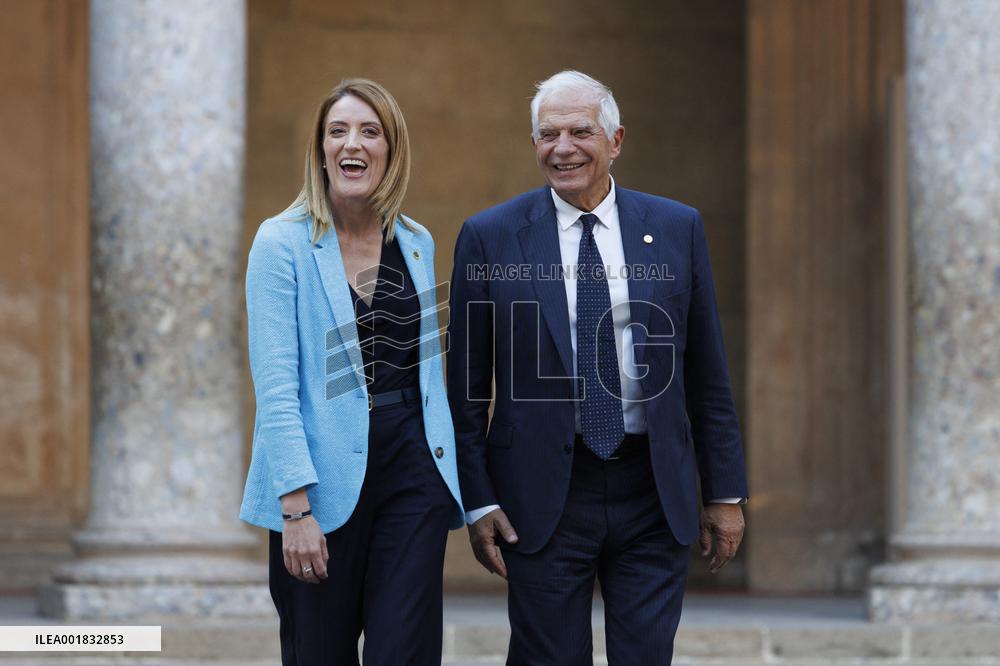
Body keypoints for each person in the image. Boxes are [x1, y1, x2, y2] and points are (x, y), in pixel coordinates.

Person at [447, 70, 748, 665]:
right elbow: (465, 386)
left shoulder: (676, 228)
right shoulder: (490, 236)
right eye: (548, 134)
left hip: (652, 489)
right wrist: (478, 500)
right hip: (542, 494)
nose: (563, 148)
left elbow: (707, 374)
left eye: (580, 132)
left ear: (616, 140)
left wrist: (725, 492)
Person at [240, 78, 464, 666]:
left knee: (406, 653)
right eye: (337, 131)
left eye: (369, 131)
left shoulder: (415, 242)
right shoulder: (280, 243)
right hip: (319, 481)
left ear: (392, 150)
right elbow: (277, 389)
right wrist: (295, 509)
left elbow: (426, 372)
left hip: (413, 475)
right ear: (321, 150)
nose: (352, 144)